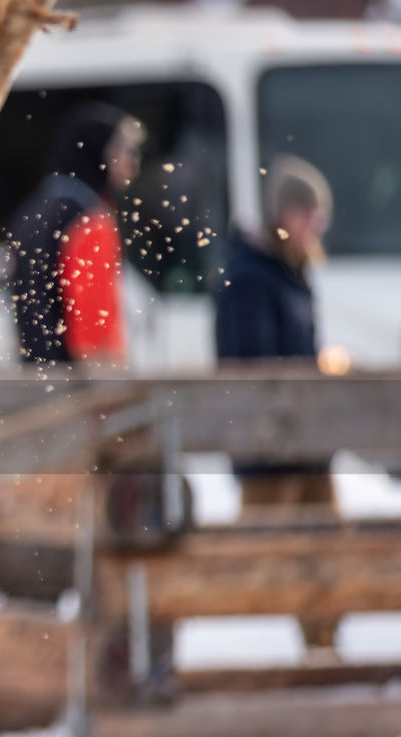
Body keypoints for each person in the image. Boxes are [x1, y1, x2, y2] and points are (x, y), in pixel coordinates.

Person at [215, 153, 337, 651]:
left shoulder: (292, 273)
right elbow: (255, 370)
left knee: (327, 551)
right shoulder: (249, 278)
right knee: (261, 559)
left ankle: (323, 647)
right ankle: (238, 654)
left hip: (308, 446)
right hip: (271, 448)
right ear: (281, 215)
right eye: (305, 214)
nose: (314, 226)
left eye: (318, 216)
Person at [6, 101, 144, 365]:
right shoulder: (89, 219)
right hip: (78, 388)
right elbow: (94, 338)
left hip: (37, 380)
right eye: (124, 149)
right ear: (96, 151)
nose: (133, 162)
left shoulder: (33, 210)